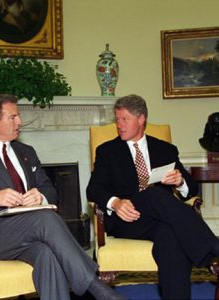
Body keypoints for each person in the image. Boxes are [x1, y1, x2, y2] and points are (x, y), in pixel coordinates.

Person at [0, 94, 126, 300]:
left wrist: (41, 197)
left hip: (23, 233)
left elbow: (50, 189)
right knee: (44, 219)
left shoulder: (26, 152)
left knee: (47, 253)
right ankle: (98, 288)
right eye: (13, 117)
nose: (20, 122)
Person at [86, 94, 219, 300]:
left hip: (160, 220)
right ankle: (213, 247)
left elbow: (192, 188)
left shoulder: (165, 149)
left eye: (125, 119)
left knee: (171, 237)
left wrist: (180, 182)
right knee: (154, 193)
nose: (119, 125)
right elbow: (93, 188)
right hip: (127, 219)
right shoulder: (108, 151)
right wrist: (116, 202)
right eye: (117, 119)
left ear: (141, 119)